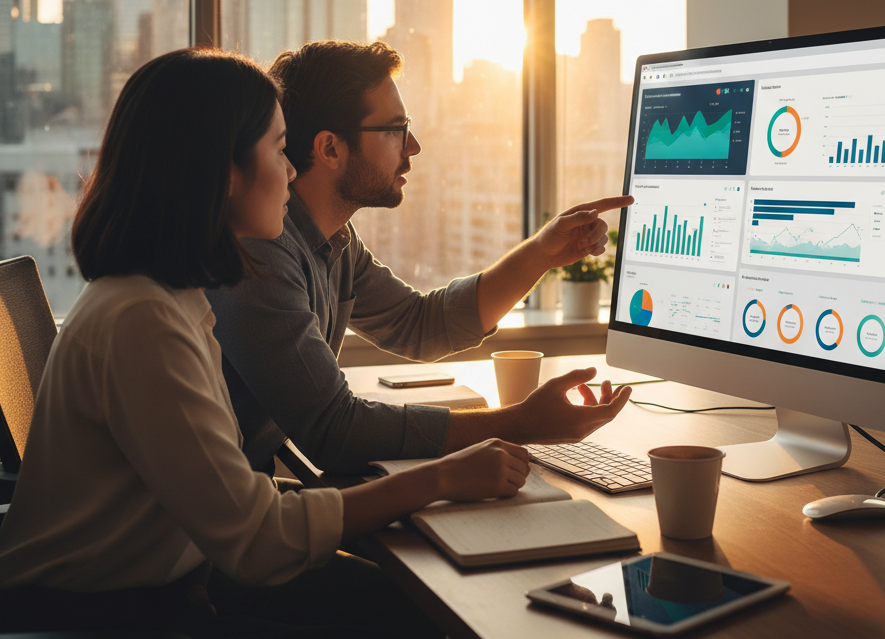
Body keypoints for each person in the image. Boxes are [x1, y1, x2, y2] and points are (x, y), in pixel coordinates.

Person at [0, 48, 531, 639]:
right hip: (115, 635)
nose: (290, 170)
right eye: (279, 149)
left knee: (398, 610)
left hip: (158, 589)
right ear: (223, 171)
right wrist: (443, 477)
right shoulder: (144, 322)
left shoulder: (172, 298)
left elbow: (224, 492)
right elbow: (254, 541)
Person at [208, 39, 635, 478]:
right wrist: (519, 423)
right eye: (394, 129)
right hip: (211, 531)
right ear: (330, 148)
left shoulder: (336, 241)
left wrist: (541, 254)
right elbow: (335, 430)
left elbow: (422, 324)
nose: (412, 146)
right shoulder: (261, 253)